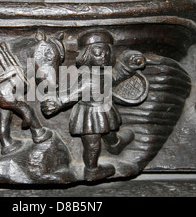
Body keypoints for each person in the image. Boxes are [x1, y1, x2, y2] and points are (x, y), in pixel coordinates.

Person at [42, 30, 145, 181]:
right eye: (97, 53)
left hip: (103, 109)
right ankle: (92, 170)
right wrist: (58, 102)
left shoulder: (103, 73)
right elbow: (74, 94)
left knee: (109, 131)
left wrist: (129, 66)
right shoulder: (88, 78)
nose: (103, 57)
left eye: (106, 53)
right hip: (89, 114)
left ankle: (115, 144)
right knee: (92, 144)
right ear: (86, 55)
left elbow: (116, 77)